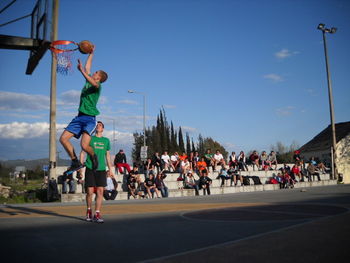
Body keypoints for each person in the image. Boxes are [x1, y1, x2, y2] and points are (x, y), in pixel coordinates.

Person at [60, 47, 108, 175]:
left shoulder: (98, 86)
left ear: (99, 77)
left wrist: (82, 71)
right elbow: (87, 68)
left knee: (84, 146)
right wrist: (91, 53)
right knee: (63, 139)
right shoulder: (88, 81)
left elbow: (92, 80)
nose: (93, 72)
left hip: (90, 119)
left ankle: (93, 157)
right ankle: (75, 161)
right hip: (79, 117)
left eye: (96, 72)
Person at [80, 121, 113, 223]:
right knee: (89, 192)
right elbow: (82, 153)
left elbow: (107, 156)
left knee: (100, 191)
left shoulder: (106, 140)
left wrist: (110, 169)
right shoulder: (90, 139)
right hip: (90, 168)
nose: (98, 126)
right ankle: (89, 210)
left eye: (100, 125)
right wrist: (80, 168)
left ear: (103, 129)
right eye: (97, 125)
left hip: (101, 169)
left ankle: (97, 213)